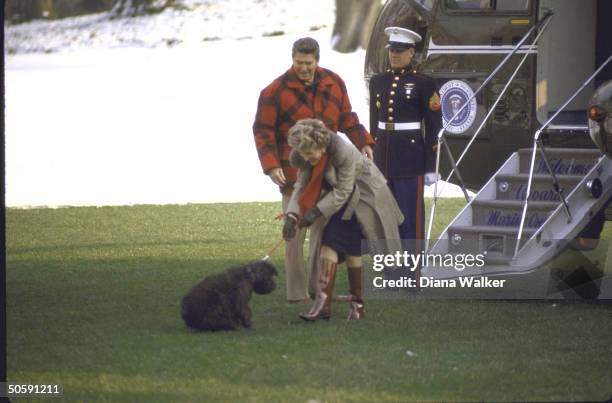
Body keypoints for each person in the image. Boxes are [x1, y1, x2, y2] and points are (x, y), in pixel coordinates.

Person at [253, 37, 374, 303]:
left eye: (308, 63)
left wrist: (363, 141)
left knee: (321, 236)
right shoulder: (274, 90)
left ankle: (317, 290)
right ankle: (297, 294)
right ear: (292, 59)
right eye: (299, 63)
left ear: (317, 60)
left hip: (327, 177)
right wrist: (271, 165)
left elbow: (346, 117)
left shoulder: (334, 82)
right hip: (293, 177)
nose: (304, 68)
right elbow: (263, 131)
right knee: (294, 236)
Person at [282, 119, 404, 321]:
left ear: (321, 146)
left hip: (365, 196)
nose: (305, 157)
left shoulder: (343, 151)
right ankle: (337, 307)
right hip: (342, 198)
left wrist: (314, 212)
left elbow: (343, 190)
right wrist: (292, 216)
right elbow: (301, 186)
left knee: (344, 246)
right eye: (302, 154)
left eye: (309, 154)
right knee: (335, 244)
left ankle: (347, 306)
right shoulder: (304, 152)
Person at [369, 27, 443, 256]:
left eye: (400, 50)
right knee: (385, 215)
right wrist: (371, 152)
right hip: (384, 158)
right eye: (392, 49)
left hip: (411, 160)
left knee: (410, 216)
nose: (394, 54)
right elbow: (374, 123)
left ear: (412, 52)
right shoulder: (378, 81)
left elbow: (434, 129)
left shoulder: (424, 83)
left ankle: (412, 269)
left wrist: (431, 167)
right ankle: (391, 266)